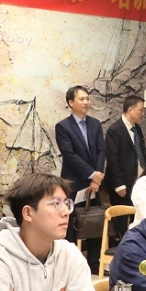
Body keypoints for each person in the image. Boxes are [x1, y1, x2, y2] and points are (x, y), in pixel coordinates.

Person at [54, 85, 105, 250]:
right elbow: (69, 155)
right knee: (71, 225)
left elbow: (101, 151)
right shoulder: (63, 127)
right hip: (74, 184)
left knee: (94, 223)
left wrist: (97, 178)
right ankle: (71, 259)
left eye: (87, 99)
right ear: (71, 102)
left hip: (94, 185)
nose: (86, 102)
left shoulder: (95, 124)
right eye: (82, 99)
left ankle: (94, 261)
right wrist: (92, 174)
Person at [102, 94, 146, 213]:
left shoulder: (137, 128)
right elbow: (113, 159)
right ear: (130, 110)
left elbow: (141, 152)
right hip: (123, 186)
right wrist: (119, 184)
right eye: (141, 110)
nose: (143, 114)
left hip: (138, 183)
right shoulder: (114, 130)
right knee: (123, 219)